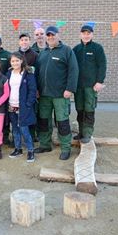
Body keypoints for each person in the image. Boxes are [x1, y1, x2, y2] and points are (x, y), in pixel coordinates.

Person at [34, 26, 79, 160]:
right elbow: (37, 72)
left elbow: (73, 71)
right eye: (48, 35)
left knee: (62, 122)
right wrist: (36, 89)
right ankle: (45, 144)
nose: (50, 37)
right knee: (43, 120)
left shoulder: (66, 51)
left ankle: (66, 148)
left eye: (53, 35)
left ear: (58, 35)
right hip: (44, 95)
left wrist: (69, 89)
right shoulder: (43, 53)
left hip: (60, 94)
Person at [72, 25, 107, 143]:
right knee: (80, 110)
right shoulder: (76, 49)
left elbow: (102, 65)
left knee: (89, 110)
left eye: (88, 33)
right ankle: (81, 132)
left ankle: (87, 133)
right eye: (84, 33)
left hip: (91, 86)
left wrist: (99, 82)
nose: (86, 36)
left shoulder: (97, 48)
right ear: (80, 35)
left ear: (92, 35)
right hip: (78, 86)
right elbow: (72, 67)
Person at [7, 52, 37, 162]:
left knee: (24, 129)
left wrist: (28, 104)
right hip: (11, 105)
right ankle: (18, 149)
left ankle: (30, 150)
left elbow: (32, 90)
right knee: (15, 129)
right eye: (13, 61)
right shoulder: (9, 73)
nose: (15, 63)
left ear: (21, 61)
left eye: (17, 60)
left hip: (23, 106)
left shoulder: (28, 73)